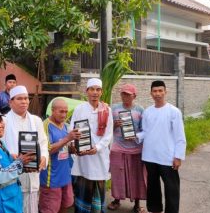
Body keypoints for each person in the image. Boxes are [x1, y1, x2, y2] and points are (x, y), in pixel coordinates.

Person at [136, 80, 186, 213]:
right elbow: (146, 132)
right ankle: (155, 209)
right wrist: (136, 136)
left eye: (160, 91)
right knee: (152, 187)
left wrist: (178, 156)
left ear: (165, 92)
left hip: (167, 157)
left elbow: (180, 136)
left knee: (172, 188)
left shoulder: (174, 111)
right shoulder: (147, 112)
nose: (157, 94)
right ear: (151, 93)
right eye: (155, 91)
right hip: (149, 156)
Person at [2, 85, 49, 213]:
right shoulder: (3, 121)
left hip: (33, 176)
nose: (24, 101)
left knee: (32, 208)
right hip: (13, 176)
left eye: (26, 98)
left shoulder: (36, 120)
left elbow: (43, 143)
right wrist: (11, 156)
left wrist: (44, 157)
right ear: (10, 102)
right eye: (19, 99)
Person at [69, 78, 113, 213]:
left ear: (101, 92)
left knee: (98, 190)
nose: (95, 92)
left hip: (99, 157)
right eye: (92, 89)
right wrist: (73, 143)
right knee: (82, 188)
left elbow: (108, 135)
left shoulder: (107, 110)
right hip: (83, 158)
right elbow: (72, 129)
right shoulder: (79, 109)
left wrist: (97, 148)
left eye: (98, 89)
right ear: (86, 91)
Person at [107, 84, 146, 213]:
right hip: (118, 148)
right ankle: (117, 200)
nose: (125, 96)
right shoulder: (114, 109)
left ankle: (136, 203)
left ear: (134, 96)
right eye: (123, 94)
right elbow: (106, 129)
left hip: (136, 149)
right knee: (117, 176)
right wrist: (114, 125)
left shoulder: (140, 110)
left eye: (128, 94)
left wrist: (135, 136)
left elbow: (145, 131)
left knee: (137, 176)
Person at [39, 98, 81, 213]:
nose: (64, 114)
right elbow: (46, 150)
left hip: (65, 176)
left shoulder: (66, 126)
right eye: (61, 111)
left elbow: (65, 148)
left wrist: (73, 149)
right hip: (51, 179)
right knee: (50, 209)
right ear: (53, 110)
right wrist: (68, 138)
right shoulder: (45, 126)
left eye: (66, 111)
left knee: (65, 205)